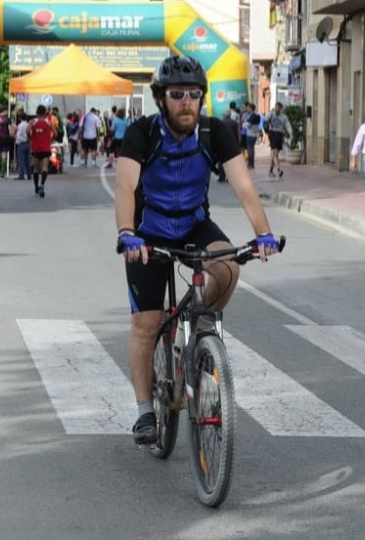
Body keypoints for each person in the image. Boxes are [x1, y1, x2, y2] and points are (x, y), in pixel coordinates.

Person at [115, 54, 280, 445]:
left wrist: (263, 234)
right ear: (161, 99)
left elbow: (243, 186)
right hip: (148, 232)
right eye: (177, 94)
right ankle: (144, 411)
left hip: (193, 224)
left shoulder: (215, 132)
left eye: (194, 94)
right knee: (146, 324)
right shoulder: (141, 133)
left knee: (229, 266)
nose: (187, 101)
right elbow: (124, 186)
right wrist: (127, 232)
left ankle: (200, 332)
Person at [28, 105, 53, 197]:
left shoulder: (32, 122)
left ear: (37, 112)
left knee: (35, 169)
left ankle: (36, 186)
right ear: (44, 113)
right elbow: (55, 132)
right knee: (44, 168)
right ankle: (42, 185)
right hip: (46, 148)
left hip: (36, 148)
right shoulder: (49, 122)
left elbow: (28, 132)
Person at [265, 102, 292, 177]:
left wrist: (290, 133)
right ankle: (279, 169)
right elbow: (266, 120)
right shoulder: (271, 114)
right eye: (276, 107)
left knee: (274, 154)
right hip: (273, 134)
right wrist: (270, 113)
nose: (276, 109)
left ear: (281, 109)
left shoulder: (284, 117)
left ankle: (270, 171)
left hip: (280, 135)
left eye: (278, 108)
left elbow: (288, 125)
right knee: (275, 153)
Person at [220, 108, 241, 183]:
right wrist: (238, 143)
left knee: (222, 160)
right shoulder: (234, 123)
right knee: (232, 161)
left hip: (223, 143)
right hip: (233, 143)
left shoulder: (221, 122)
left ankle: (222, 177)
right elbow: (238, 133)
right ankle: (231, 177)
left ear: (225, 115)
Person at [15, 110, 31, 181]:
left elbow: (18, 136)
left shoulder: (20, 126)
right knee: (27, 160)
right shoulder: (28, 124)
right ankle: (29, 175)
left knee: (21, 160)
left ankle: (21, 175)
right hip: (28, 144)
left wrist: (17, 141)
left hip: (21, 144)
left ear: (20, 118)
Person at [243, 103, 260, 170]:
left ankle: (251, 164)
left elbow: (246, 125)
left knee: (250, 150)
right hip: (255, 135)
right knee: (252, 149)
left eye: (248, 108)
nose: (247, 109)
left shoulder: (252, 116)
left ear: (251, 108)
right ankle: (251, 163)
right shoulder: (257, 116)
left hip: (250, 135)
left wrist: (244, 122)